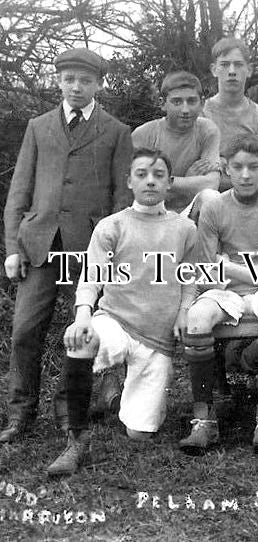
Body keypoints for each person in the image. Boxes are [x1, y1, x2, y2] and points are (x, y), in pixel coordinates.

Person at [2, 48, 132, 443]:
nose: (77, 87)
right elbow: (20, 190)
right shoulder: (39, 126)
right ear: (58, 81)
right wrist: (11, 248)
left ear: (99, 84)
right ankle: (20, 413)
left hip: (89, 248)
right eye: (70, 79)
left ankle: (67, 409)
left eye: (86, 80)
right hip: (39, 243)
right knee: (25, 330)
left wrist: (110, 252)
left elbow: (120, 201)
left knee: (82, 331)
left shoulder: (115, 131)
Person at [45, 149, 197, 475]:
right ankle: (77, 439)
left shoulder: (184, 228)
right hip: (116, 320)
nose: (150, 181)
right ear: (129, 181)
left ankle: (119, 396)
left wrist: (184, 311)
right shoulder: (112, 226)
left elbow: (191, 278)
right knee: (82, 341)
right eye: (141, 174)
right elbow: (92, 275)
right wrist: (83, 317)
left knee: (140, 433)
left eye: (158, 175)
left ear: (170, 183)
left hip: (157, 339)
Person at [178, 134, 258, 455]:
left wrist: (230, 267)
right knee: (198, 317)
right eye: (238, 167)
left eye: (253, 167)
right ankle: (205, 418)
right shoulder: (214, 207)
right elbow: (205, 269)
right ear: (227, 169)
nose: (245, 175)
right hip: (225, 291)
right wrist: (249, 271)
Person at [131, 71, 221, 220]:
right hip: (151, 211)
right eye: (177, 102)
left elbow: (211, 183)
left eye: (192, 101)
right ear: (162, 103)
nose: (185, 110)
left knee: (211, 198)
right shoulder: (144, 134)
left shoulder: (207, 130)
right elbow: (138, 183)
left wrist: (161, 179)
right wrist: (187, 179)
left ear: (202, 103)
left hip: (188, 210)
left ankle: (205, 244)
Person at [202, 37, 258, 190]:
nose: (232, 71)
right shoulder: (201, 115)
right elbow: (194, 172)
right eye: (225, 65)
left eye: (238, 65)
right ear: (214, 70)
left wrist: (221, 168)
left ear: (249, 70)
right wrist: (251, 171)